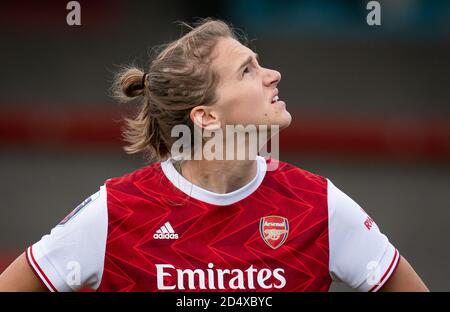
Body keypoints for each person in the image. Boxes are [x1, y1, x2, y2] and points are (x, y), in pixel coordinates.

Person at [0, 19, 428, 292]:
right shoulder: (117, 212)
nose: (273, 75)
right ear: (205, 116)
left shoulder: (319, 206)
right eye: (248, 70)